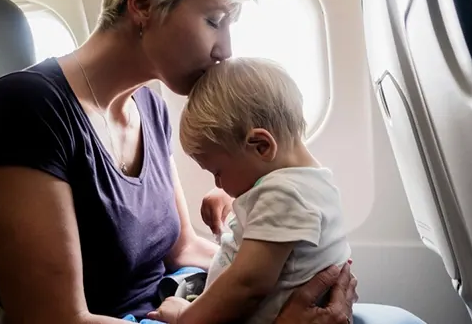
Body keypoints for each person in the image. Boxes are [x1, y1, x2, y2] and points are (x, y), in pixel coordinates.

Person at [0, 0, 426, 323]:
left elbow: (181, 248)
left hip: (177, 303)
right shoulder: (27, 107)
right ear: (142, 4)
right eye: (215, 19)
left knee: (400, 318)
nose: (226, 48)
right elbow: (54, 320)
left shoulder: (151, 108)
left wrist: (284, 264)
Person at [146, 57, 352, 324]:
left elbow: (247, 285)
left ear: (261, 146)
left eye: (217, 171)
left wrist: (185, 318)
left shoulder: (284, 196)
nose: (218, 184)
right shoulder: (310, 183)